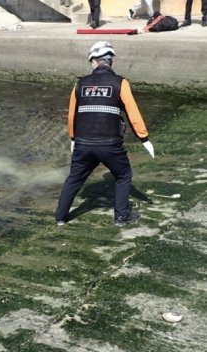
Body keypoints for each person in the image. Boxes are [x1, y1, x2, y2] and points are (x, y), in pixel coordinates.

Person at [55, 41, 155, 227]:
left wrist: (73, 138)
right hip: (110, 145)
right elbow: (133, 114)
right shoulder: (120, 83)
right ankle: (121, 217)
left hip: (83, 144)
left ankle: (61, 217)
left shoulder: (79, 84)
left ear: (93, 62)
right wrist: (144, 138)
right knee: (123, 175)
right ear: (110, 62)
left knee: (74, 179)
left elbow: (71, 115)